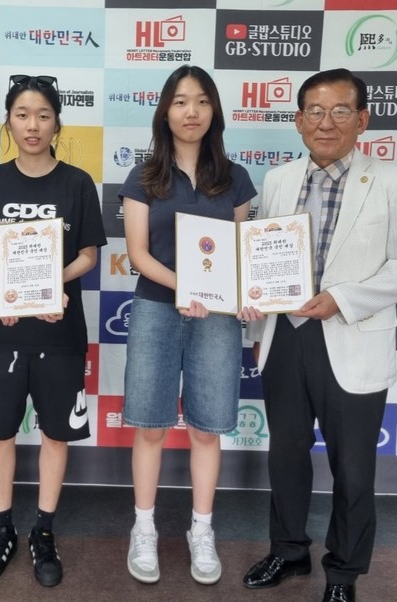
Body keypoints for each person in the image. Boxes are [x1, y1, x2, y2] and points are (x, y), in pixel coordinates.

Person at [237, 68, 397, 602]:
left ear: (362, 120)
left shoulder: (391, 181)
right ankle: (288, 550)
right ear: (298, 120)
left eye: (340, 111)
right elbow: (261, 257)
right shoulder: (278, 179)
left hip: (352, 333)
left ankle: (343, 573)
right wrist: (255, 311)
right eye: (315, 112)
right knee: (286, 454)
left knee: (353, 467)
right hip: (284, 335)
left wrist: (342, 299)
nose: (326, 122)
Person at [0, 74, 107, 588]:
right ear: (8, 121)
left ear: (57, 123)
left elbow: (88, 254)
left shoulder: (77, 183)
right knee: (0, 433)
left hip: (59, 330)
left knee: (55, 434)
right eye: (22, 114)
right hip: (1, 331)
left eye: (43, 115)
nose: (33, 125)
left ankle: (43, 530)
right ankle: (1, 527)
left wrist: (50, 284)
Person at [119, 65, 257, 586]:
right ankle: (144, 528)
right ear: (165, 112)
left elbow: (241, 254)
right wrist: (186, 287)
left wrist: (245, 295)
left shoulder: (235, 179)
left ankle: (202, 529)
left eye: (201, 101)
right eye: (180, 102)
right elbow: (137, 254)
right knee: (151, 426)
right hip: (157, 309)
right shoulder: (143, 177)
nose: (191, 111)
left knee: (205, 428)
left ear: (214, 110)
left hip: (216, 317)